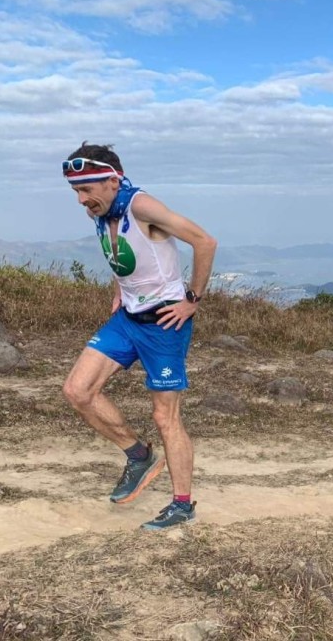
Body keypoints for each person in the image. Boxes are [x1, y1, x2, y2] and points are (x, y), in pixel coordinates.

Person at [61, 143, 217, 530]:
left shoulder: (141, 206)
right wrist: (119, 288)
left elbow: (204, 241)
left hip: (164, 324)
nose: (82, 201)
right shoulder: (102, 210)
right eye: (76, 193)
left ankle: (182, 505)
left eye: (87, 191)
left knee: (166, 416)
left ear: (113, 181)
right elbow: (122, 256)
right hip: (127, 319)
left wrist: (192, 300)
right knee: (78, 391)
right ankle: (138, 455)